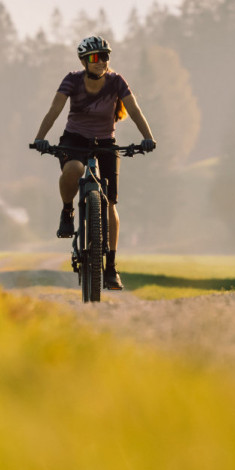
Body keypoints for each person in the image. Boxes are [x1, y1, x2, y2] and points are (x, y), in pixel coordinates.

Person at [30, 35, 155, 291]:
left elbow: (134, 110)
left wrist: (148, 138)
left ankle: (110, 267)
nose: (102, 62)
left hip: (105, 142)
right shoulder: (72, 80)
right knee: (73, 170)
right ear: (84, 61)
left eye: (106, 56)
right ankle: (68, 210)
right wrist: (40, 138)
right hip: (74, 140)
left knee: (109, 202)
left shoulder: (116, 82)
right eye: (96, 57)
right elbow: (54, 110)